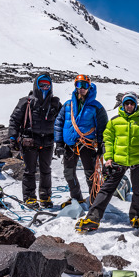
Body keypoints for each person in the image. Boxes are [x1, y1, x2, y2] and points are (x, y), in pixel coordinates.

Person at [75, 92, 139, 232]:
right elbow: (108, 140)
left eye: (132, 103)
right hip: (118, 160)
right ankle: (93, 219)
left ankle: (135, 216)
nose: (129, 106)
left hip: (137, 160)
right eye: (127, 103)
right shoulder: (114, 121)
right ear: (123, 105)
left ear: (136, 105)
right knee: (106, 189)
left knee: (138, 190)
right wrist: (109, 157)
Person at [8, 73, 62, 208]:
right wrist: (13, 138)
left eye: (47, 85)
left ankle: (45, 197)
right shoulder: (26, 102)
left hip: (48, 142)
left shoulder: (55, 103)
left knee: (46, 170)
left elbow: (62, 123)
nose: (45, 87)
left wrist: (63, 142)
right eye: (42, 84)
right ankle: (29, 198)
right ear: (36, 85)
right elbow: (14, 120)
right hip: (29, 142)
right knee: (29, 170)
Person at [54, 74, 108, 208]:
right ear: (75, 86)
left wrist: (102, 145)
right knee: (68, 172)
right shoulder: (68, 105)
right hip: (70, 144)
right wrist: (59, 143)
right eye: (79, 85)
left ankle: (94, 201)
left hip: (87, 145)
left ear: (89, 87)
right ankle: (76, 197)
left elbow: (103, 127)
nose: (81, 88)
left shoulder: (96, 107)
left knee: (91, 174)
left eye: (84, 85)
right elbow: (59, 123)